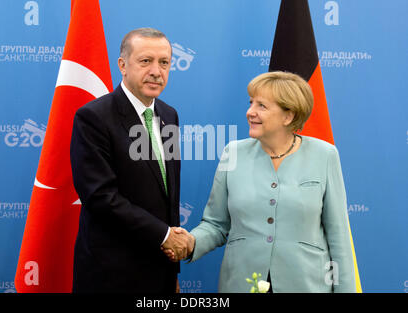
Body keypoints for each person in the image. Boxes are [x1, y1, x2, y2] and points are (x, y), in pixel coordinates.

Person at [165, 71, 356, 293]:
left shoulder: (324, 155)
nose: (250, 112)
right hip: (241, 283)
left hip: (307, 284)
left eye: (262, 106)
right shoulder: (233, 153)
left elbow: (338, 236)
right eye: (251, 103)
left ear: (288, 116)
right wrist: (190, 242)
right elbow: (216, 224)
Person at [70, 27, 193, 293]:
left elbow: (168, 195)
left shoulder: (169, 115)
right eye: (145, 61)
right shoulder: (93, 118)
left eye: (164, 63)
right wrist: (165, 236)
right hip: (111, 274)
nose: (156, 71)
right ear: (123, 65)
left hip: (160, 270)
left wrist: (172, 268)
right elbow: (101, 196)